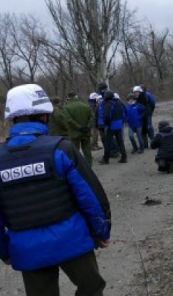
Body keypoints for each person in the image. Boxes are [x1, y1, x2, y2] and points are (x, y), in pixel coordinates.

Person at [0, 83, 111, 296]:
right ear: (44, 117)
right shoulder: (61, 149)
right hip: (72, 241)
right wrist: (101, 230)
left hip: (27, 250)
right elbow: (90, 195)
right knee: (92, 288)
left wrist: (4, 251)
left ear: (12, 119)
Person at [63, 92, 94, 166]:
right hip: (86, 132)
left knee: (75, 152)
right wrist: (87, 127)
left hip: (74, 134)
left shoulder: (67, 108)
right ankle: (89, 167)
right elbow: (92, 117)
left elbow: (69, 120)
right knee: (87, 151)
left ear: (69, 98)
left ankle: (78, 168)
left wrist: (79, 127)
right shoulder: (86, 106)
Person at [99, 90, 127, 164]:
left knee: (108, 143)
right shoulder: (118, 102)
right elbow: (123, 113)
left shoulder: (107, 104)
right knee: (120, 142)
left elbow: (106, 116)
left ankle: (106, 159)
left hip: (111, 126)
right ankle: (124, 157)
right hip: (119, 125)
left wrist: (106, 123)